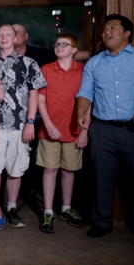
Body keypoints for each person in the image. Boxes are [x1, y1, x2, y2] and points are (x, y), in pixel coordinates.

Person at [75, 13, 134, 238]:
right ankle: (102, 221)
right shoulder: (94, 62)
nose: (106, 32)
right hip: (101, 129)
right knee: (101, 177)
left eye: (112, 27)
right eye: (104, 29)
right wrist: (82, 112)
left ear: (127, 33)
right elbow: (85, 92)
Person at [0, 23, 45, 229]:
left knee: (16, 170)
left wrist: (30, 122)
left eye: (8, 34)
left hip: (20, 125)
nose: (4, 37)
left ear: (15, 38)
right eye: (0, 34)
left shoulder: (29, 63)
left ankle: (11, 207)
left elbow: (35, 93)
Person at [33, 32, 87, 232]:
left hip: (73, 129)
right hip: (50, 129)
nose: (59, 47)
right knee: (49, 169)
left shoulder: (82, 71)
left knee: (69, 170)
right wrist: (48, 125)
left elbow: (88, 102)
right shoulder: (46, 69)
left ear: (74, 50)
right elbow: (40, 100)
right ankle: (48, 212)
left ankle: (66, 208)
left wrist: (84, 130)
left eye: (64, 45)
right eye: (56, 44)